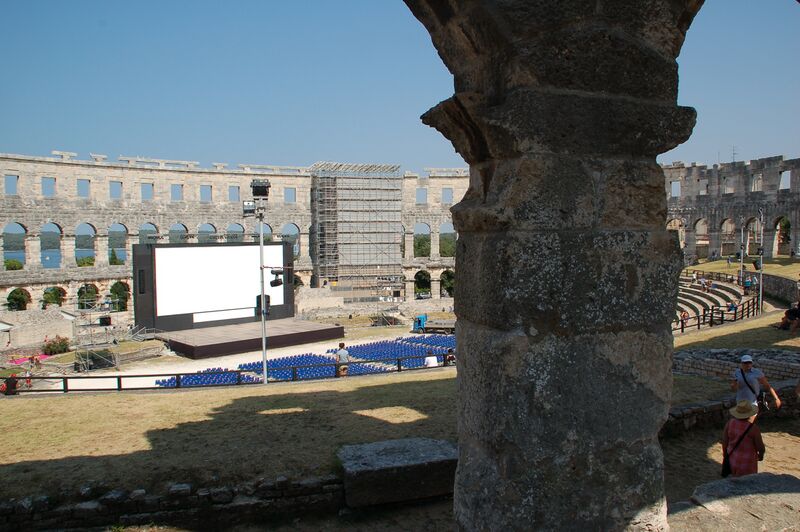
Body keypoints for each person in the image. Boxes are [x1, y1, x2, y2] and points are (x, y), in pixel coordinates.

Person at [721, 400, 765, 477]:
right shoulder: (753, 429)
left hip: (732, 459)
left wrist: (725, 454)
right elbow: (760, 447)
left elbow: (725, 441)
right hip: (747, 463)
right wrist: (761, 455)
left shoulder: (730, 423)